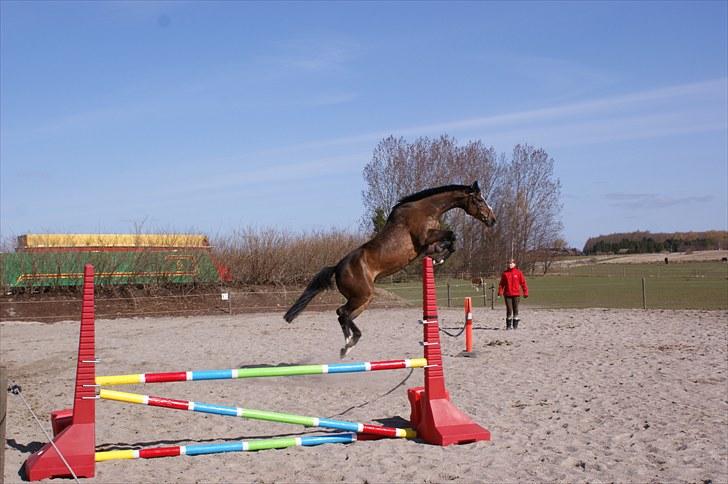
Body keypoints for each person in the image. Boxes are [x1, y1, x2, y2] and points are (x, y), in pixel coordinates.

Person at [498, 258, 528, 330]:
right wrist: (500, 292)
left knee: (516, 309)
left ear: (514, 264)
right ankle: (508, 325)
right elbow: (502, 284)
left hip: (516, 294)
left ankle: (515, 325)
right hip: (507, 294)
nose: (510, 264)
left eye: (511, 263)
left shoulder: (518, 273)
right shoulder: (505, 273)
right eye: (509, 263)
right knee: (509, 309)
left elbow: (523, 283)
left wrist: (525, 292)